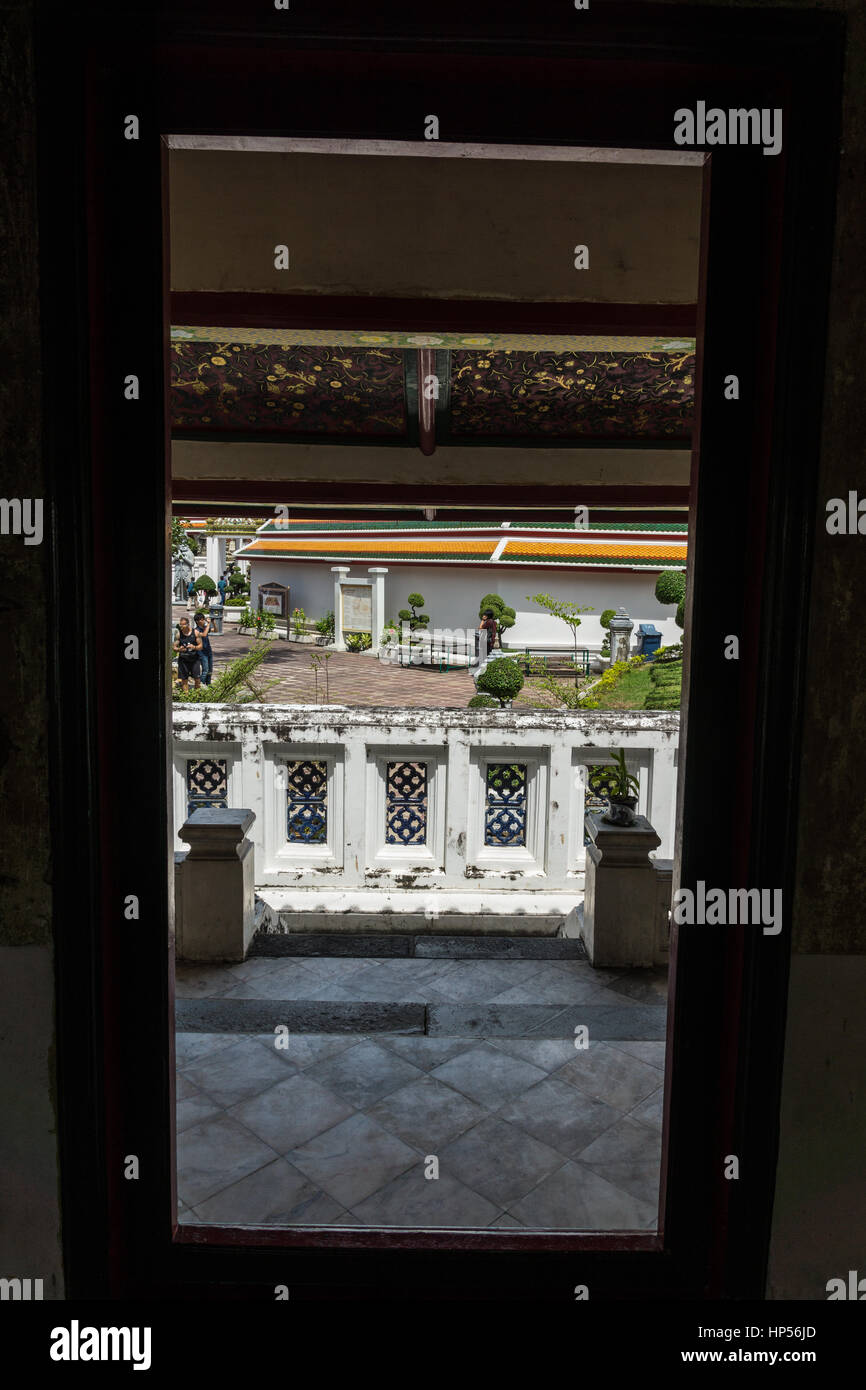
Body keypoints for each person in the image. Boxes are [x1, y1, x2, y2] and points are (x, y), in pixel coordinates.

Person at [174, 617, 202, 692]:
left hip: (194, 659)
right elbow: (174, 647)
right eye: (180, 625)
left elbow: (201, 646)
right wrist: (179, 649)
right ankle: (186, 697)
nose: (181, 627)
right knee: (184, 679)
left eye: (183, 625)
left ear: (188, 624)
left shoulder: (195, 632)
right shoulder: (179, 634)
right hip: (183, 659)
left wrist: (194, 647)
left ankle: (197, 696)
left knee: (197, 679)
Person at [193, 610, 214, 686]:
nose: (203, 621)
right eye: (202, 620)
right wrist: (208, 624)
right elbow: (204, 635)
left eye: (203, 619)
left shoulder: (205, 627)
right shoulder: (196, 630)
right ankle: (200, 685)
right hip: (202, 653)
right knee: (205, 670)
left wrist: (213, 622)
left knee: (210, 670)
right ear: (197, 621)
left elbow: (215, 630)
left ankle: (209, 684)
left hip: (208, 651)